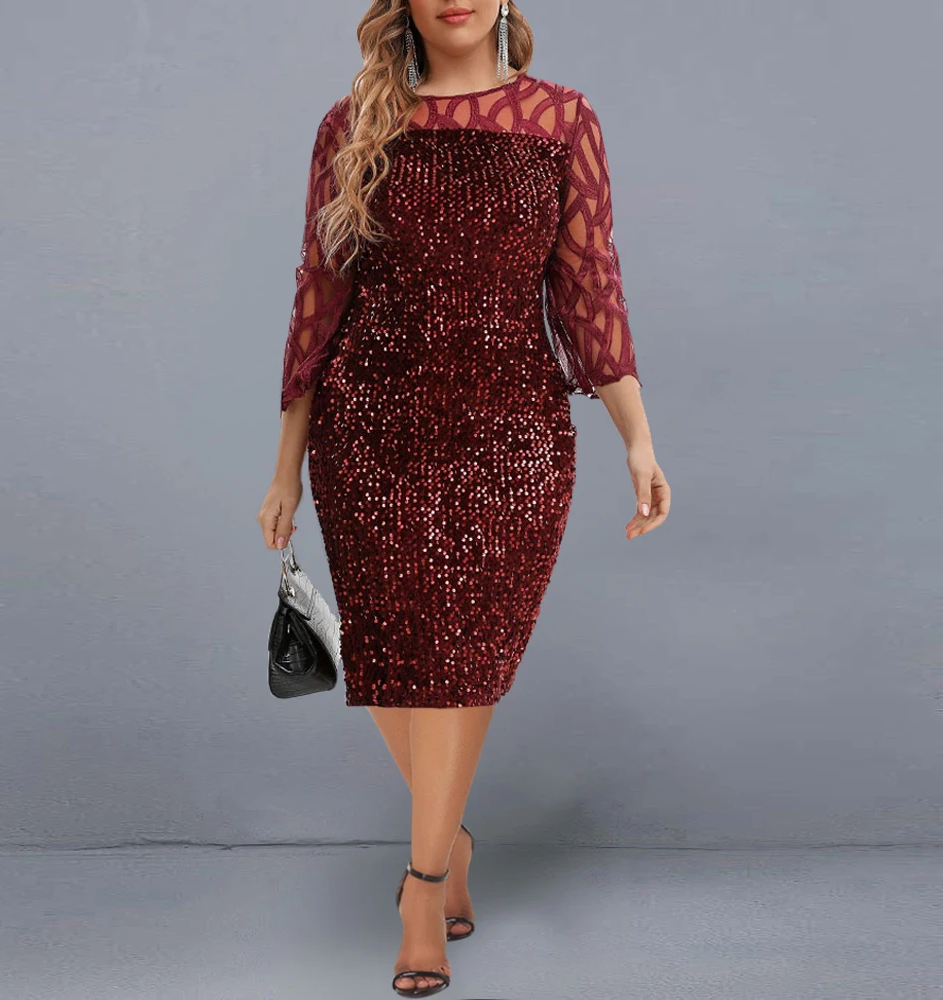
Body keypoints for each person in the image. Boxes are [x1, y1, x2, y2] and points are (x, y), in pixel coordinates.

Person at [257, 1, 671, 994]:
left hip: (510, 432)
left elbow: (589, 284)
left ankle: (425, 883)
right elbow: (318, 295)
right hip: (371, 431)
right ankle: (449, 845)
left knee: (462, 658)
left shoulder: (561, 119)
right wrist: (284, 466)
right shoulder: (352, 125)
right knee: (397, 660)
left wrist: (639, 437)